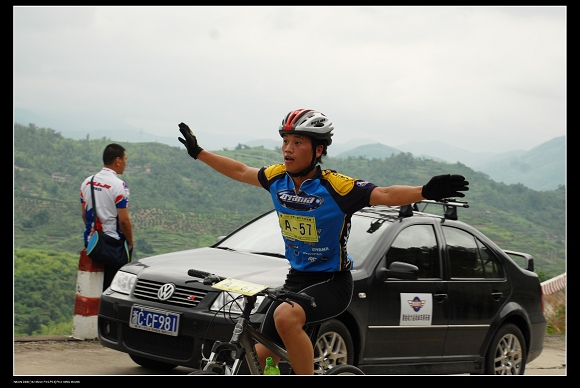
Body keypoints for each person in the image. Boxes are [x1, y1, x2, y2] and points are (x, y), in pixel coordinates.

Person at [177, 108, 469, 374]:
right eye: (286, 141)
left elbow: (387, 195)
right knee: (258, 361)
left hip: (332, 283)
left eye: (297, 143)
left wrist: (425, 190)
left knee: (285, 318)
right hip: (295, 281)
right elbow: (241, 171)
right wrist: (199, 152)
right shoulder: (277, 179)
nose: (288, 149)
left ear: (318, 150)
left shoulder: (337, 187)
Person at [80, 143, 134, 291]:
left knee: (90, 290)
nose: (125, 163)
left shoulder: (87, 182)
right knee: (111, 290)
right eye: (125, 159)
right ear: (117, 160)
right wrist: (130, 242)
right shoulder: (120, 186)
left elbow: (84, 214)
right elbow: (124, 221)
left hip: (92, 244)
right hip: (112, 247)